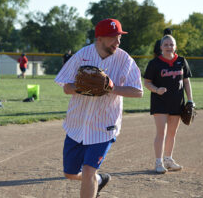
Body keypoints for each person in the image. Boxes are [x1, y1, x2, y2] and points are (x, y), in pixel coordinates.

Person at [55, 18, 143, 198]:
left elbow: (137, 91)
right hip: (77, 124)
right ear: (100, 38)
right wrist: (83, 88)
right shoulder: (82, 55)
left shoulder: (125, 60)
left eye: (119, 37)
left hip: (104, 126)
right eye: (113, 37)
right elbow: (66, 87)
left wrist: (111, 88)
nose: (118, 41)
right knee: (70, 173)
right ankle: (99, 180)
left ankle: (92, 180)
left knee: (88, 171)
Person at [143, 34, 194, 174]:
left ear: (175, 46)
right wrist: (156, 89)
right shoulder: (155, 63)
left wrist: (190, 99)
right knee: (161, 133)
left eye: (171, 44)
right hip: (160, 102)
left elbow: (186, 82)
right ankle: (158, 162)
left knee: (172, 133)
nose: (168, 47)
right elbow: (147, 82)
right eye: (165, 45)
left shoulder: (182, 61)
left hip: (177, 102)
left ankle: (168, 159)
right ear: (161, 47)